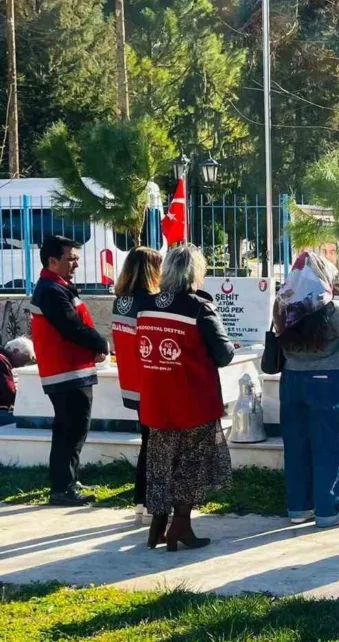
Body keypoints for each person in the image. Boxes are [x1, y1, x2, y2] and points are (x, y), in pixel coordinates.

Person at [137, 244, 234, 551]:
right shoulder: (199, 309)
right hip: (192, 399)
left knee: (161, 462)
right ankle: (180, 526)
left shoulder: (147, 305)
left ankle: (157, 525)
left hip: (156, 397)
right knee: (191, 463)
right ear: (196, 273)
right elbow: (224, 354)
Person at [277, 252, 339, 528]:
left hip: (291, 379)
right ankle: (328, 511)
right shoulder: (327, 308)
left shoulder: (283, 303)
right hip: (326, 380)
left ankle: (299, 508)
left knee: (296, 446)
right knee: (330, 447)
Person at [30, 235, 110, 506]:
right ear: (52, 261)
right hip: (65, 372)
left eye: (77, 258)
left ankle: (68, 481)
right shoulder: (51, 290)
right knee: (71, 429)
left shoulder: (57, 286)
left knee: (72, 428)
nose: (76, 264)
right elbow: (72, 327)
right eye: (71, 259)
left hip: (71, 370)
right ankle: (63, 488)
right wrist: (100, 343)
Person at [111, 247, 163, 526]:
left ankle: (141, 503)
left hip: (131, 384)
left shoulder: (120, 302)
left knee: (148, 442)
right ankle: (151, 504)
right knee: (156, 445)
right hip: (151, 382)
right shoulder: (150, 302)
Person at [0, 337, 35, 425]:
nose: (23, 365)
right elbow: (6, 393)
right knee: (25, 421)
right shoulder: (2, 361)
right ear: (15, 351)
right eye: (25, 360)